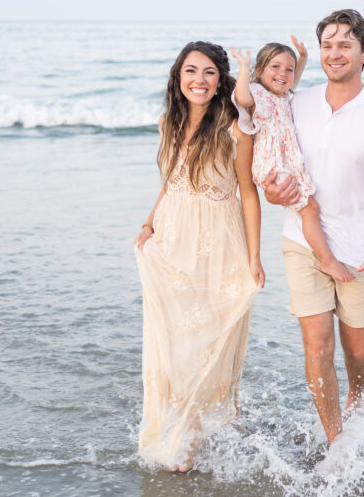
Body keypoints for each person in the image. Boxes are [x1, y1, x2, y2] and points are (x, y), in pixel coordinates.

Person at [263, 9, 364, 445]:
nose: (334, 54)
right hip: (303, 242)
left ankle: (355, 395)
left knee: (358, 351)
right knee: (317, 346)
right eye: (327, 45)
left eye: (345, 45)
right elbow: (271, 167)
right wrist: (273, 193)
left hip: (360, 254)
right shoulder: (296, 103)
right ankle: (335, 439)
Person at [133, 41, 266, 471]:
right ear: (178, 77)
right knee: (174, 339)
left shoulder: (234, 126)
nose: (199, 80)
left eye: (209, 72)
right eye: (191, 71)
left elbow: (248, 190)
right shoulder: (166, 123)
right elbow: (170, 179)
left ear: (221, 79)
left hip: (218, 241)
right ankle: (191, 424)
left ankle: (218, 419)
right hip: (171, 239)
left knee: (213, 335)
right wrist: (149, 220)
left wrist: (255, 256)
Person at [229, 38, 354, 283]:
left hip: (287, 161)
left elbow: (293, 80)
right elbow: (242, 98)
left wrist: (304, 56)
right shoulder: (257, 93)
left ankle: (322, 256)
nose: (283, 74)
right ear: (260, 70)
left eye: (288, 69)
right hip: (273, 163)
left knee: (311, 209)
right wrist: (244, 66)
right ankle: (328, 260)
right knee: (310, 209)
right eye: (275, 67)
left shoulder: (283, 93)